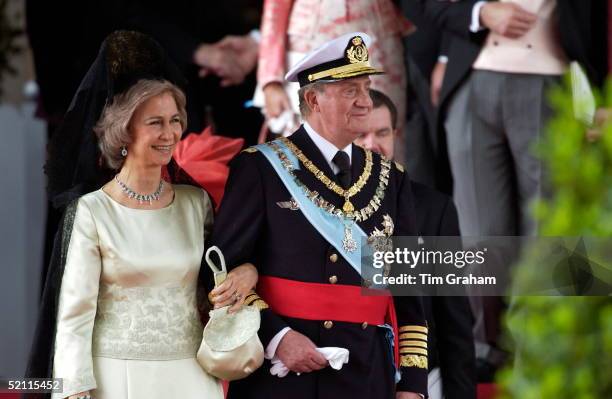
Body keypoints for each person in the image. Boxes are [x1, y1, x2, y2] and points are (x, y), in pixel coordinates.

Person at [25, 31, 261, 399]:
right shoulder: (92, 211)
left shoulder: (194, 203)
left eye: (175, 120)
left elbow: (220, 273)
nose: (170, 133)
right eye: (156, 122)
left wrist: (248, 271)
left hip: (192, 377)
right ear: (124, 131)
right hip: (118, 380)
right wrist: (73, 388)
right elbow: (75, 314)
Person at [205, 32, 428, 399]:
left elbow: (409, 289)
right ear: (313, 99)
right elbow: (220, 270)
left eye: (366, 88)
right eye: (349, 90)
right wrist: (277, 338)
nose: (364, 101)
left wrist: (413, 386)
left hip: (365, 376)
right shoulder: (261, 168)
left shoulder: (392, 179)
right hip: (281, 378)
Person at [355, 89, 476, 399]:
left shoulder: (435, 208)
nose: (373, 144)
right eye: (362, 135)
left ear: (396, 134)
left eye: (382, 132)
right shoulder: (323, 208)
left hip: (422, 376)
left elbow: (454, 317)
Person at [256, 0, 411, 149]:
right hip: (312, 42)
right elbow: (275, 6)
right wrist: (270, 81)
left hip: (378, 43)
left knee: (381, 128)